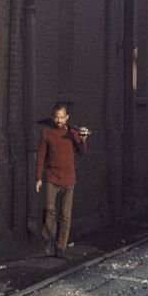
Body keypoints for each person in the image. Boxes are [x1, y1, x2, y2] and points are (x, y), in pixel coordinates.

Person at [35, 103, 90, 259]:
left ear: (67, 117)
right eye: (56, 117)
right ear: (53, 117)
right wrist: (38, 178)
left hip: (68, 179)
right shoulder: (47, 133)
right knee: (49, 210)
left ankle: (61, 248)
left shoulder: (73, 133)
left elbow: (82, 152)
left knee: (65, 215)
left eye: (61, 117)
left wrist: (83, 140)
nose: (58, 120)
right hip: (51, 177)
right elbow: (41, 156)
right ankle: (48, 242)